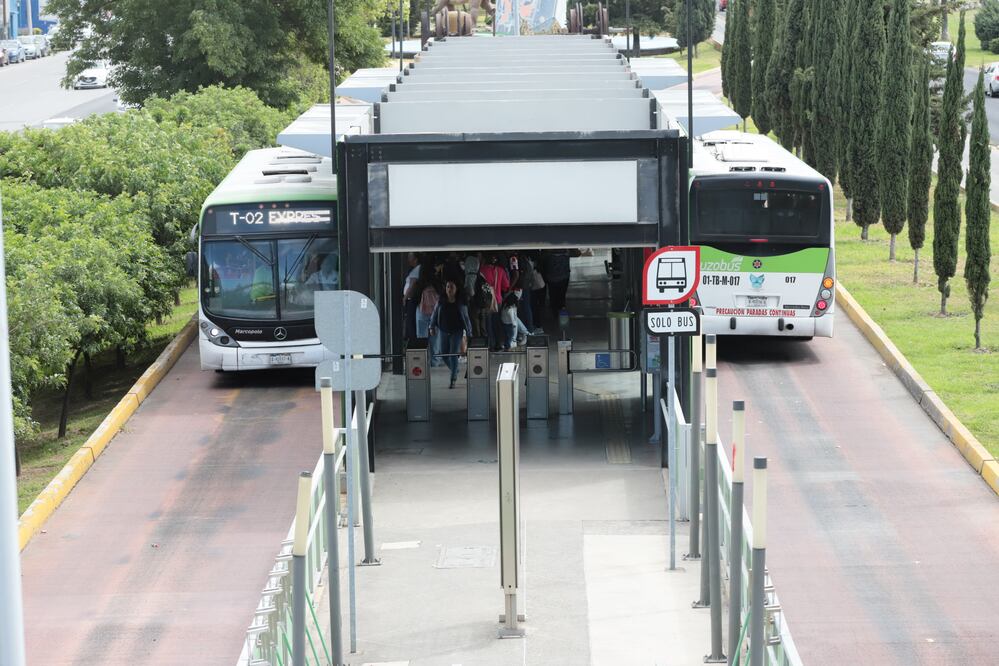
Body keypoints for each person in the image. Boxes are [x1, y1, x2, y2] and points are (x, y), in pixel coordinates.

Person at [429, 280, 473, 388]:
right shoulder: (441, 301)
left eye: (452, 287)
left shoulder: (461, 303)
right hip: (443, 330)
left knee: (453, 354)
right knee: (444, 354)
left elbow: (466, 318)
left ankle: (453, 378)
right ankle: (455, 369)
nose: (449, 289)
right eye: (448, 287)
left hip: (456, 331)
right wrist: (431, 326)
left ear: (456, 289)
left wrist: (469, 332)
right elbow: (434, 313)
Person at [479, 253, 510, 350]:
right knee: (497, 322)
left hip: (486, 301)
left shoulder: (481, 270)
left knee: (488, 324)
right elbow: (506, 286)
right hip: (498, 300)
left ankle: (490, 344)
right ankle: (499, 343)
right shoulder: (500, 270)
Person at [403, 253, 421, 342]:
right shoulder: (414, 270)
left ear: (415, 259)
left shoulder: (417, 270)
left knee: (410, 319)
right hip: (411, 298)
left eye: (410, 258)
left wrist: (405, 297)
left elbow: (412, 285)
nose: (408, 260)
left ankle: (411, 339)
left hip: (411, 299)